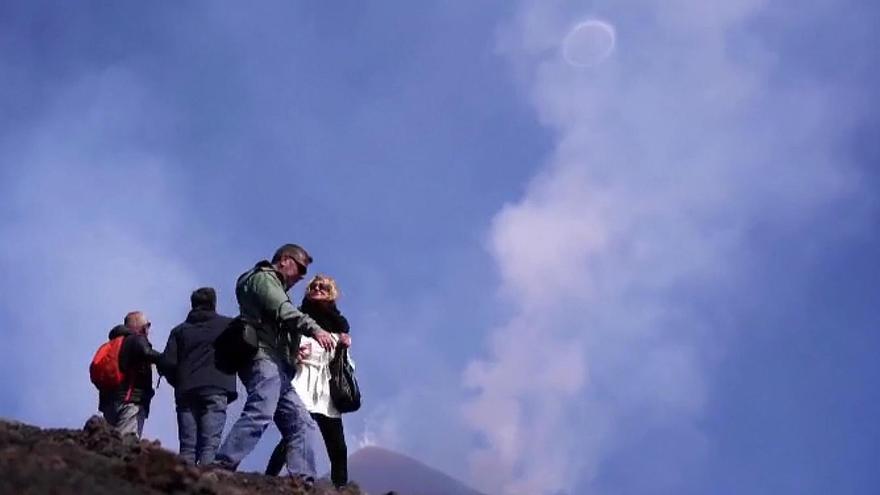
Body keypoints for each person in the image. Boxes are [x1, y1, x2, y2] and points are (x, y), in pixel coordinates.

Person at [213, 244, 335, 484]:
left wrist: (292, 351)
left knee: (302, 423)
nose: (301, 277)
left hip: (277, 364)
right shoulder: (264, 279)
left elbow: (276, 320)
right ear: (284, 260)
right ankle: (223, 464)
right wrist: (316, 329)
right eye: (300, 269)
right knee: (260, 411)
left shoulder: (272, 284)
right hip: (263, 358)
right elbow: (283, 310)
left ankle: (303, 480)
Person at [265, 275, 353, 488]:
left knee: (338, 447)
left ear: (331, 292)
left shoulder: (340, 326)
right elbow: (281, 346)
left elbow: (346, 365)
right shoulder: (298, 318)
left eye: (322, 286)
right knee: (293, 436)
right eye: (313, 286)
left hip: (326, 391)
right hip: (302, 384)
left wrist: (343, 348)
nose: (317, 289)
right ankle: (268, 480)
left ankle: (341, 488)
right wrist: (293, 354)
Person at [158, 287, 238, 465]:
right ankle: (204, 485)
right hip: (217, 387)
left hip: (186, 391)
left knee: (187, 447)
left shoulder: (179, 331)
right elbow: (241, 352)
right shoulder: (228, 325)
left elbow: (167, 363)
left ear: (192, 304)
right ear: (213, 304)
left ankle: (182, 484)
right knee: (209, 446)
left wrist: (179, 382)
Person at [99, 311, 161, 438]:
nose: (148, 329)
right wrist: (166, 360)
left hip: (109, 404)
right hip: (130, 402)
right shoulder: (137, 339)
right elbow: (147, 353)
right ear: (139, 325)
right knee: (125, 447)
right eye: (147, 325)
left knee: (110, 444)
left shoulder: (113, 343)